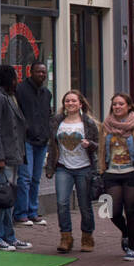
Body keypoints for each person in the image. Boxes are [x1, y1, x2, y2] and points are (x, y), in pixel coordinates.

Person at [0, 65, 32, 251]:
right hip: (3, 157)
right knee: (0, 199)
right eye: (14, 78)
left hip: (13, 155)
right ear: (9, 79)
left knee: (7, 199)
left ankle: (9, 236)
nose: (16, 81)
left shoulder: (7, 97)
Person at [100, 92, 134, 261]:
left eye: (121, 104)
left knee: (130, 211)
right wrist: (102, 170)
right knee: (112, 212)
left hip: (132, 173)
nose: (117, 107)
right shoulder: (105, 125)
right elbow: (101, 150)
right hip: (112, 173)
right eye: (115, 104)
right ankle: (125, 232)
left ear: (129, 106)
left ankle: (132, 247)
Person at [44, 90, 99, 253]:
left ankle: (87, 236)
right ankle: (66, 237)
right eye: (67, 101)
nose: (70, 104)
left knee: (84, 204)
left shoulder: (88, 122)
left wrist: (89, 144)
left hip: (84, 167)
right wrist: (49, 167)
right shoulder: (56, 122)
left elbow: (98, 144)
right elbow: (52, 146)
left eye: (74, 101)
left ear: (80, 104)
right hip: (63, 167)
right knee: (62, 203)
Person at [14, 62, 52, 226]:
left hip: (42, 141)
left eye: (44, 72)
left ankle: (33, 211)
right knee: (25, 178)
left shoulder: (47, 93)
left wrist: (48, 134)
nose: (42, 75)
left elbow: (47, 115)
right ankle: (21, 213)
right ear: (31, 72)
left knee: (36, 178)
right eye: (38, 72)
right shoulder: (20, 90)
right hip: (26, 140)